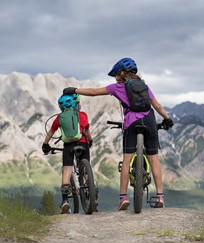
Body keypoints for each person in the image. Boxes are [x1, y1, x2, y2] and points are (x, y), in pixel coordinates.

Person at [62, 57, 174, 210]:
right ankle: (160, 197)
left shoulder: (118, 87)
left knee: (127, 160)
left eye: (116, 74)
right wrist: (167, 119)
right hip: (149, 121)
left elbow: (94, 92)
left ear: (122, 73)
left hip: (131, 123)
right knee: (154, 159)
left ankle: (123, 198)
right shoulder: (145, 86)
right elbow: (158, 106)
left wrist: (74, 90)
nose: (115, 77)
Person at [42, 94, 93, 214]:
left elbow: (51, 132)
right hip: (83, 144)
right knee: (85, 169)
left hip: (68, 146)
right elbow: (86, 131)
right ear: (76, 104)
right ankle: (90, 190)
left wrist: (45, 145)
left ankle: (65, 200)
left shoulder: (59, 118)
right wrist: (90, 140)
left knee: (67, 169)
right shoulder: (83, 115)